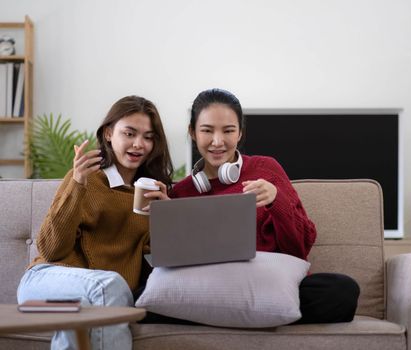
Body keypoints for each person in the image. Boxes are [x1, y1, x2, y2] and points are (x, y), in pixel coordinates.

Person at [166, 88, 360, 323]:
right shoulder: (181, 192)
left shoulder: (266, 169)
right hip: (214, 289)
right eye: (207, 131)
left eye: (228, 131)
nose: (217, 141)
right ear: (193, 133)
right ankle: (250, 315)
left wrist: (277, 200)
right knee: (141, 298)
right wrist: (165, 216)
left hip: (269, 284)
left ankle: (233, 315)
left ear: (239, 134)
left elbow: (299, 249)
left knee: (341, 291)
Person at [17, 95, 173, 350]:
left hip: (95, 298)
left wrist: (166, 218)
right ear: (109, 134)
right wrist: (77, 183)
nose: (138, 144)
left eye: (148, 136)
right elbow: (51, 250)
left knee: (75, 326)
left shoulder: (152, 192)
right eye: (130, 133)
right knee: (109, 284)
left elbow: (162, 265)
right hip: (46, 281)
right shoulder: (86, 178)